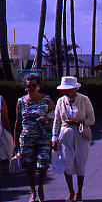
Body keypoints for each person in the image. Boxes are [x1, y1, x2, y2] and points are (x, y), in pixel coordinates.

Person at [52, 76, 95, 202]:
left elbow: (91, 119)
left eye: (69, 89)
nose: (66, 92)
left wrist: (79, 122)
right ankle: (70, 191)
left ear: (75, 88)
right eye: (64, 90)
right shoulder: (60, 101)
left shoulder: (84, 100)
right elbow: (57, 120)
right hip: (65, 135)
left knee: (81, 162)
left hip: (81, 134)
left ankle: (79, 191)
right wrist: (54, 137)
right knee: (66, 163)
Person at [13, 73, 55, 202]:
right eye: (28, 86)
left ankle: (40, 187)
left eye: (33, 85)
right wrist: (15, 143)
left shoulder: (47, 100)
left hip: (43, 137)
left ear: (38, 86)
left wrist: (47, 117)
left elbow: (54, 114)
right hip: (27, 138)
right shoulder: (21, 102)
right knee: (29, 166)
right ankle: (32, 192)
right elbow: (18, 122)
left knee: (42, 164)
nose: (30, 88)